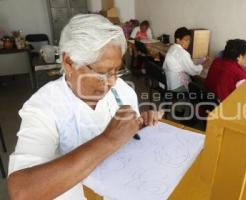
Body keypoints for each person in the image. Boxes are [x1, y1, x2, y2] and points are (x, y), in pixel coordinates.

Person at [7, 14, 163, 200]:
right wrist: (108, 139)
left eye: (117, 70)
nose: (113, 82)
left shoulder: (123, 91)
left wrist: (140, 125)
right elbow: (21, 192)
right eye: (103, 73)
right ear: (69, 62)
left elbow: (129, 139)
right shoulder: (43, 106)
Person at [163, 27, 211, 92]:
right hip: (177, 86)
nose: (188, 42)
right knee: (201, 88)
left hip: (170, 82)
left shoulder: (173, 47)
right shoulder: (182, 53)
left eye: (189, 40)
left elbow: (187, 64)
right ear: (178, 40)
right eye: (186, 40)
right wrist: (204, 65)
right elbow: (193, 71)